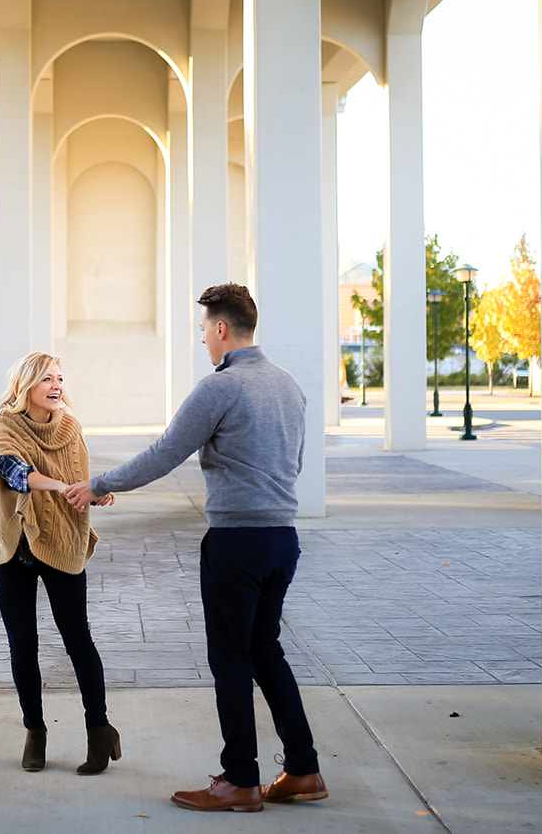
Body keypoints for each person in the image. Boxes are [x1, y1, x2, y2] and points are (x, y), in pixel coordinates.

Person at [65, 283, 326, 812]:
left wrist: (98, 484)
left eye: (205, 329)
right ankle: (302, 769)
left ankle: (239, 781)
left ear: (223, 329)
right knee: (265, 649)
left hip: (236, 544)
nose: (203, 339)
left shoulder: (219, 388)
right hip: (283, 540)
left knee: (230, 657)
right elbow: (294, 465)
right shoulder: (289, 386)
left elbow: (165, 453)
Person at [0, 351, 121, 775]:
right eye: (47, 379)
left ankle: (99, 730)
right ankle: (35, 731)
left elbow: (79, 483)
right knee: (22, 646)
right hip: (15, 547)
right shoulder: (4, 425)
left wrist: (93, 492)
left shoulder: (71, 428)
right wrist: (63, 487)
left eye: (60, 378)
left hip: (62, 541)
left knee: (77, 640)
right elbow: (14, 472)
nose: (57, 386)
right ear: (26, 385)